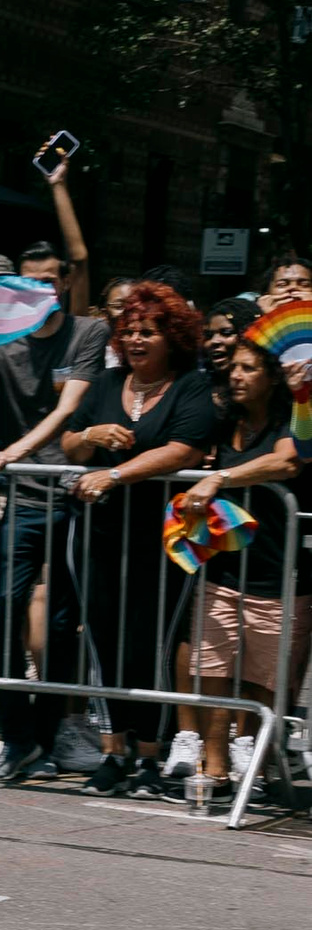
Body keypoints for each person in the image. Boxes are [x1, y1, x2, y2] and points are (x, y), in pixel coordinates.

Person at [60, 281, 216, 797]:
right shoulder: (106, 385)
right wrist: (89, 437)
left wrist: (117, 474)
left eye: (147, 331)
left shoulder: (190, 387)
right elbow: (70, 443)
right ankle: (113, 750)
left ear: (171, 336)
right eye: (128, 332)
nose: (136, 340)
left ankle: (151, 752)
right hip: (101, 535)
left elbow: (186, 449)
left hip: (163, 539)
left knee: (155, 641)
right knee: (104, 639)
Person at [0, 253, 117, 782]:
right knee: (4, 612)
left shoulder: (89, 332)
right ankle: (16, 736)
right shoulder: (0, 342)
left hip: (75, 496)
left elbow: (65, 412)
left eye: (48, 281)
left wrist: (10, 452)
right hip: (26, 501)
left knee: (60, 624)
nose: (39, 289)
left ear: (65, 282)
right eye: (28, 282)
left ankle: (51, 730)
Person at [164, 340, 306, 796]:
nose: (237, 376)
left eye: (249, 368)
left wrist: (220, 477)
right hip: (222, 570)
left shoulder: (292, 423)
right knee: (214, 670)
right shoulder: (224, 424)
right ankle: (216, 766)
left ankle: (253, 756)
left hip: (277, 576)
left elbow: (286, 462)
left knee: (263, 678)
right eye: (235, 369)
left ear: (272, 377)